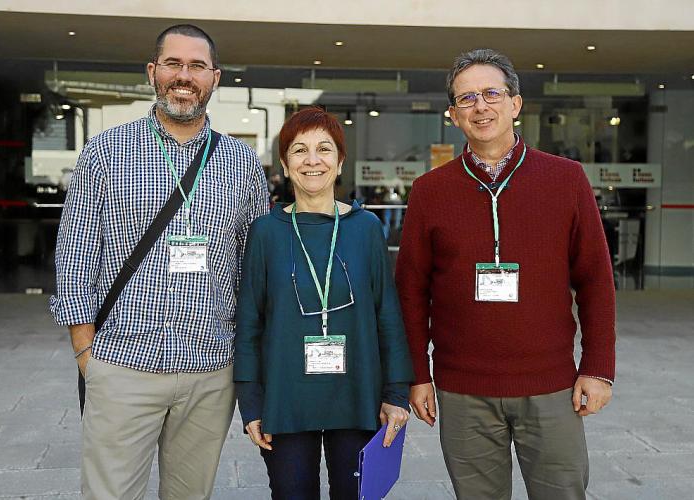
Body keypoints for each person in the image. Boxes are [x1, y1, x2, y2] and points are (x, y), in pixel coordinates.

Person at [49, 24, 269, 499]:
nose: (183, 76)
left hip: (210, 369)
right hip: (122, 363)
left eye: (196, 66)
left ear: (215, 78)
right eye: (173, 63)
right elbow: (74, 256)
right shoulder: (106, 152)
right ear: (152, 71)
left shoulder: (243, 163)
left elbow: (254, 270)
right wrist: (87, 354)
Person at [396, 48, 616, 500]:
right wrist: (417, 374)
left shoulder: (566, 179)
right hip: (463, 390)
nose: (480, 106)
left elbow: (595, 279)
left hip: (551, 386)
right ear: (453, 115)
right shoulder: (429, 191)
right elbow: (411, 292)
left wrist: (598, 368)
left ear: (515, 104)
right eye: (466, 98)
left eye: (491, 94)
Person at [233, 107, 414, 499]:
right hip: (285, 396)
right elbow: (249, 322)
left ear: (340, 161)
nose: (312, 160)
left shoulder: (366, 229)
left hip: (358, 393)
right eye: (299, 150)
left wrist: (396, 394)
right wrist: (251, 402)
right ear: (285, 164)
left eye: (324, 149)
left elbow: (387, 315)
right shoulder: (266, 232)